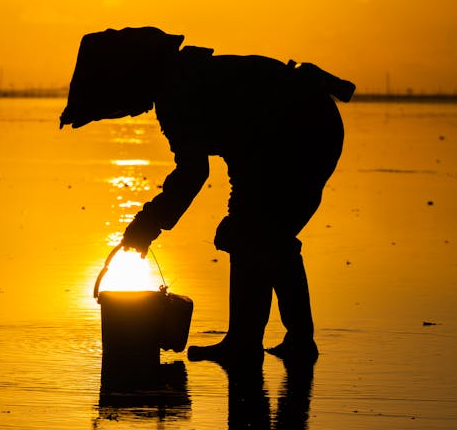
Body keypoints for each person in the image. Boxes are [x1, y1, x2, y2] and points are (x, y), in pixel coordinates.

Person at [60, 26, 354, 366]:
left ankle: (251, 342)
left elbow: (193, 172)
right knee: (262, 234)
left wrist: (148, 223)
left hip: (304, 129)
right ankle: (281, 340)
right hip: (291, 131)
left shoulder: (179, 92)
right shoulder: (184, 77)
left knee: (254, 233)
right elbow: (239, 150)